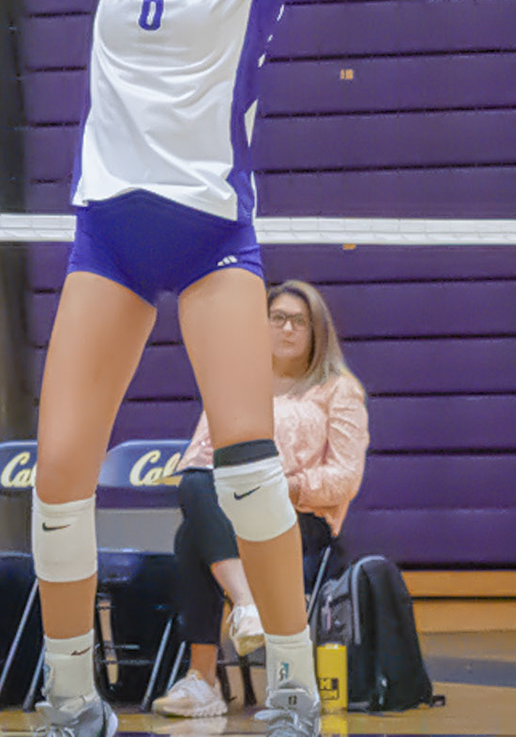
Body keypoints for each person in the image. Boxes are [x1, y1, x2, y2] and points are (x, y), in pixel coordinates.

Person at [22, 0, 391, 737]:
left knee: (245, 457)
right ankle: (68, 689)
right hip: (110, 231)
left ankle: (286, 679)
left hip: (211, 233)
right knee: (60, 467)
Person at [153, 280, 369, 719]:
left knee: (190, 537)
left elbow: (345, 478)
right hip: (233, 513)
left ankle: (205, 678)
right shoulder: (236, 384)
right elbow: (199, 461)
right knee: (194, 486)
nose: (287, 328)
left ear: (316, 331)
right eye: (278, 318)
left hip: (298, 518)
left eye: (299, 321)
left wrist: (281, 486)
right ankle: (245, 607)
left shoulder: (338, 390)